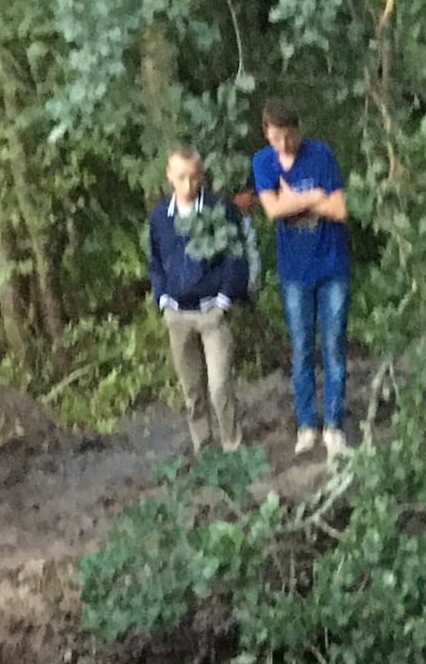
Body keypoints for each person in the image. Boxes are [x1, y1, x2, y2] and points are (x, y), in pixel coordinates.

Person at [251, 101, 352, 456]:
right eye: (276, 138)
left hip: (332, 267)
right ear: (267, 134)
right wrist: (313, 196)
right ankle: (307, 425)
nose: (284, 145)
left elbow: (339, 209)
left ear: (298, 128)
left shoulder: (321, 155)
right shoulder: (263, 162)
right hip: (294, 272)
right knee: (301, 349)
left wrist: (294, 198)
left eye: (289, 136)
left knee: (334, 346)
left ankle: (334, 427)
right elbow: (273, 210)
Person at [147, 146, 256, 455]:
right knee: (192, 390)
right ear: (169, 176)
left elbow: (236, 257)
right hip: (178, 314)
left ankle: (233, 447)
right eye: (181, 177)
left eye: (194, 177)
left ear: (202, 175)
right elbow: (155, 261)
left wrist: (224, 300)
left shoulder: (219, 209)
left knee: (220, 386)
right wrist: (163, 300)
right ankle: (203, 449)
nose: (188, 184)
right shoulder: (160, 217)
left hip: (212, 311)